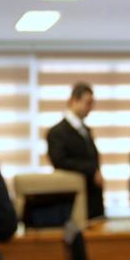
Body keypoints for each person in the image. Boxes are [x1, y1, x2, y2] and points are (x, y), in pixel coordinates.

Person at [46, 82, 104, 219]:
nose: (90, 108)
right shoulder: (57, 132)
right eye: (87, 103)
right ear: (73, 101)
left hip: (93, 197)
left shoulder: (86, 130)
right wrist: (91, 170)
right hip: (74, 199)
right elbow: (59, 161)